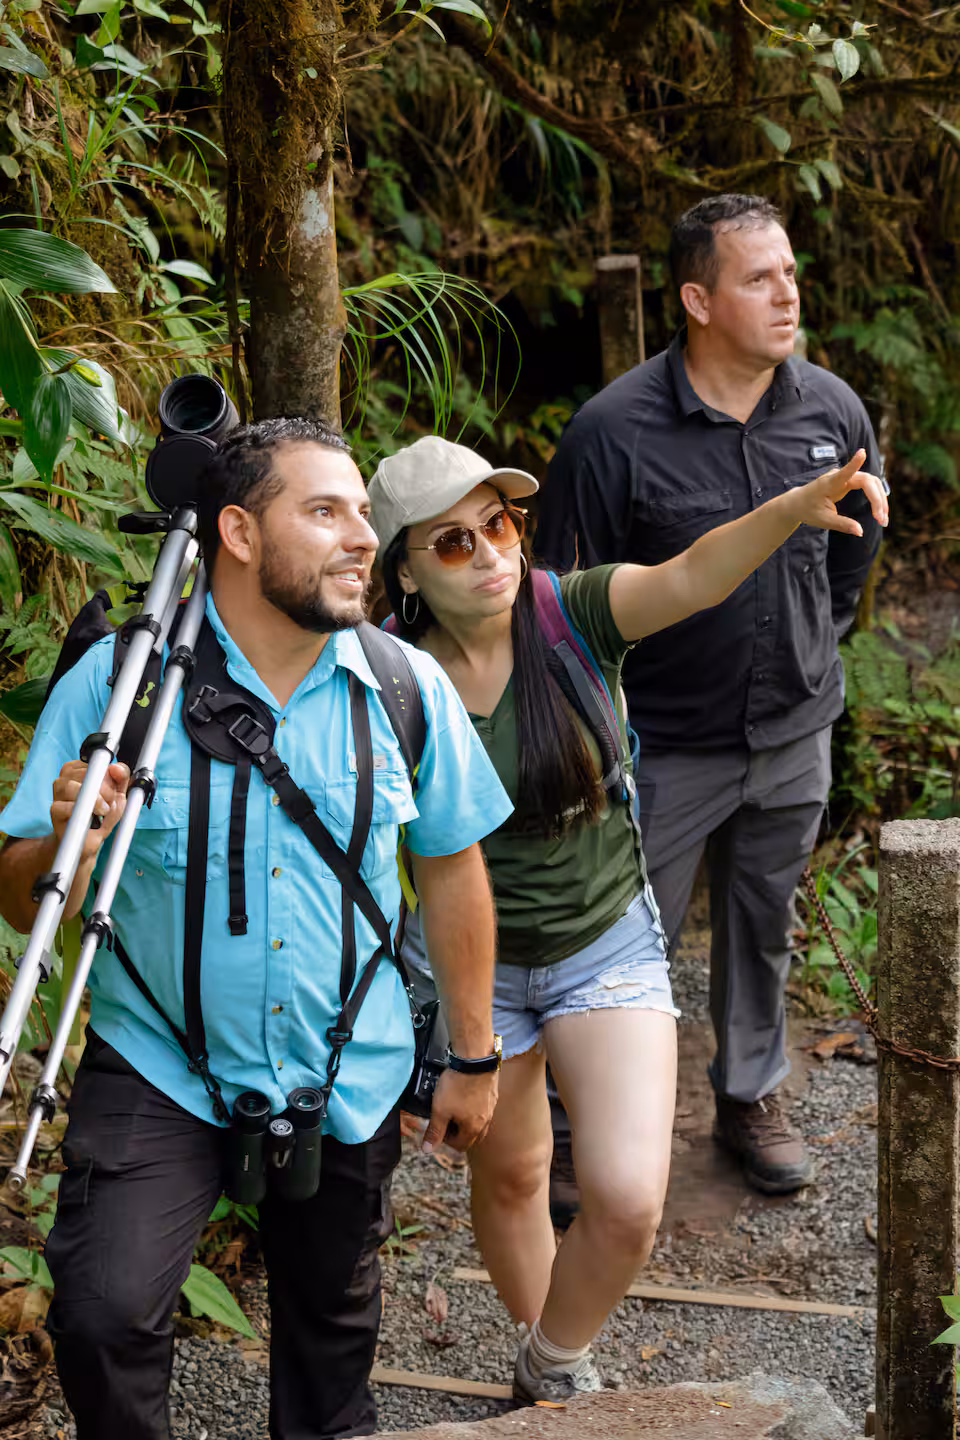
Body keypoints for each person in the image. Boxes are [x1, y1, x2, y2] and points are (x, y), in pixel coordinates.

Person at [0, 418, 513, 1440]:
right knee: (102, 1314)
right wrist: (70, 835)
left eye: (364, 512)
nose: (362, 536)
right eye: (325, 512)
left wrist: (473, 1052)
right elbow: (23, 896)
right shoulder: (117, 686)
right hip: (159, 1062)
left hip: (346, 1066)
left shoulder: (404, 689)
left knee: (331, 1346)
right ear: (237, 532)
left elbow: (453, 869)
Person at [368, 431, 886, 1402]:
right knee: (515, 1178)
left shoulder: (570, 616)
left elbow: (691, 575)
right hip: (474, 973)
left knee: (625, 1198)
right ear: (401, 566)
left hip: (603, 942)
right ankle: (554, 1382)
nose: (489, 555)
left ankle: (550, 1358)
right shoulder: (386, 679)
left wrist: (785, 511)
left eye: (500, 524)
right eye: (452, 543)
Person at [535, 193, 887, 1197]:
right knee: (612, 935)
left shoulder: (832, 412)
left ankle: (749, 1097)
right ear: (697, 298)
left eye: (790, 272)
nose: (789, 293)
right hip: (658, 745)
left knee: (763, 920)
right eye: (760, 278)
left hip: (792, 731)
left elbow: (851, 567)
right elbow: (559, 602)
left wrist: (814, 649)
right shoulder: (613, 433)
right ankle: (576, 1124)